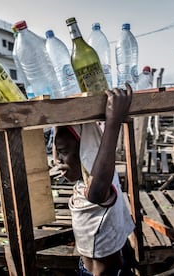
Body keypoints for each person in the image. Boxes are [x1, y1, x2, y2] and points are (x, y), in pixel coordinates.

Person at [54, 83, 135, 276]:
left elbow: (97, 193)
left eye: (63, 152)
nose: (57, 161)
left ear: (86, 153)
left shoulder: (100, 182)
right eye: (56, 151)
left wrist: (113, 122)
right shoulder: (86, 183)